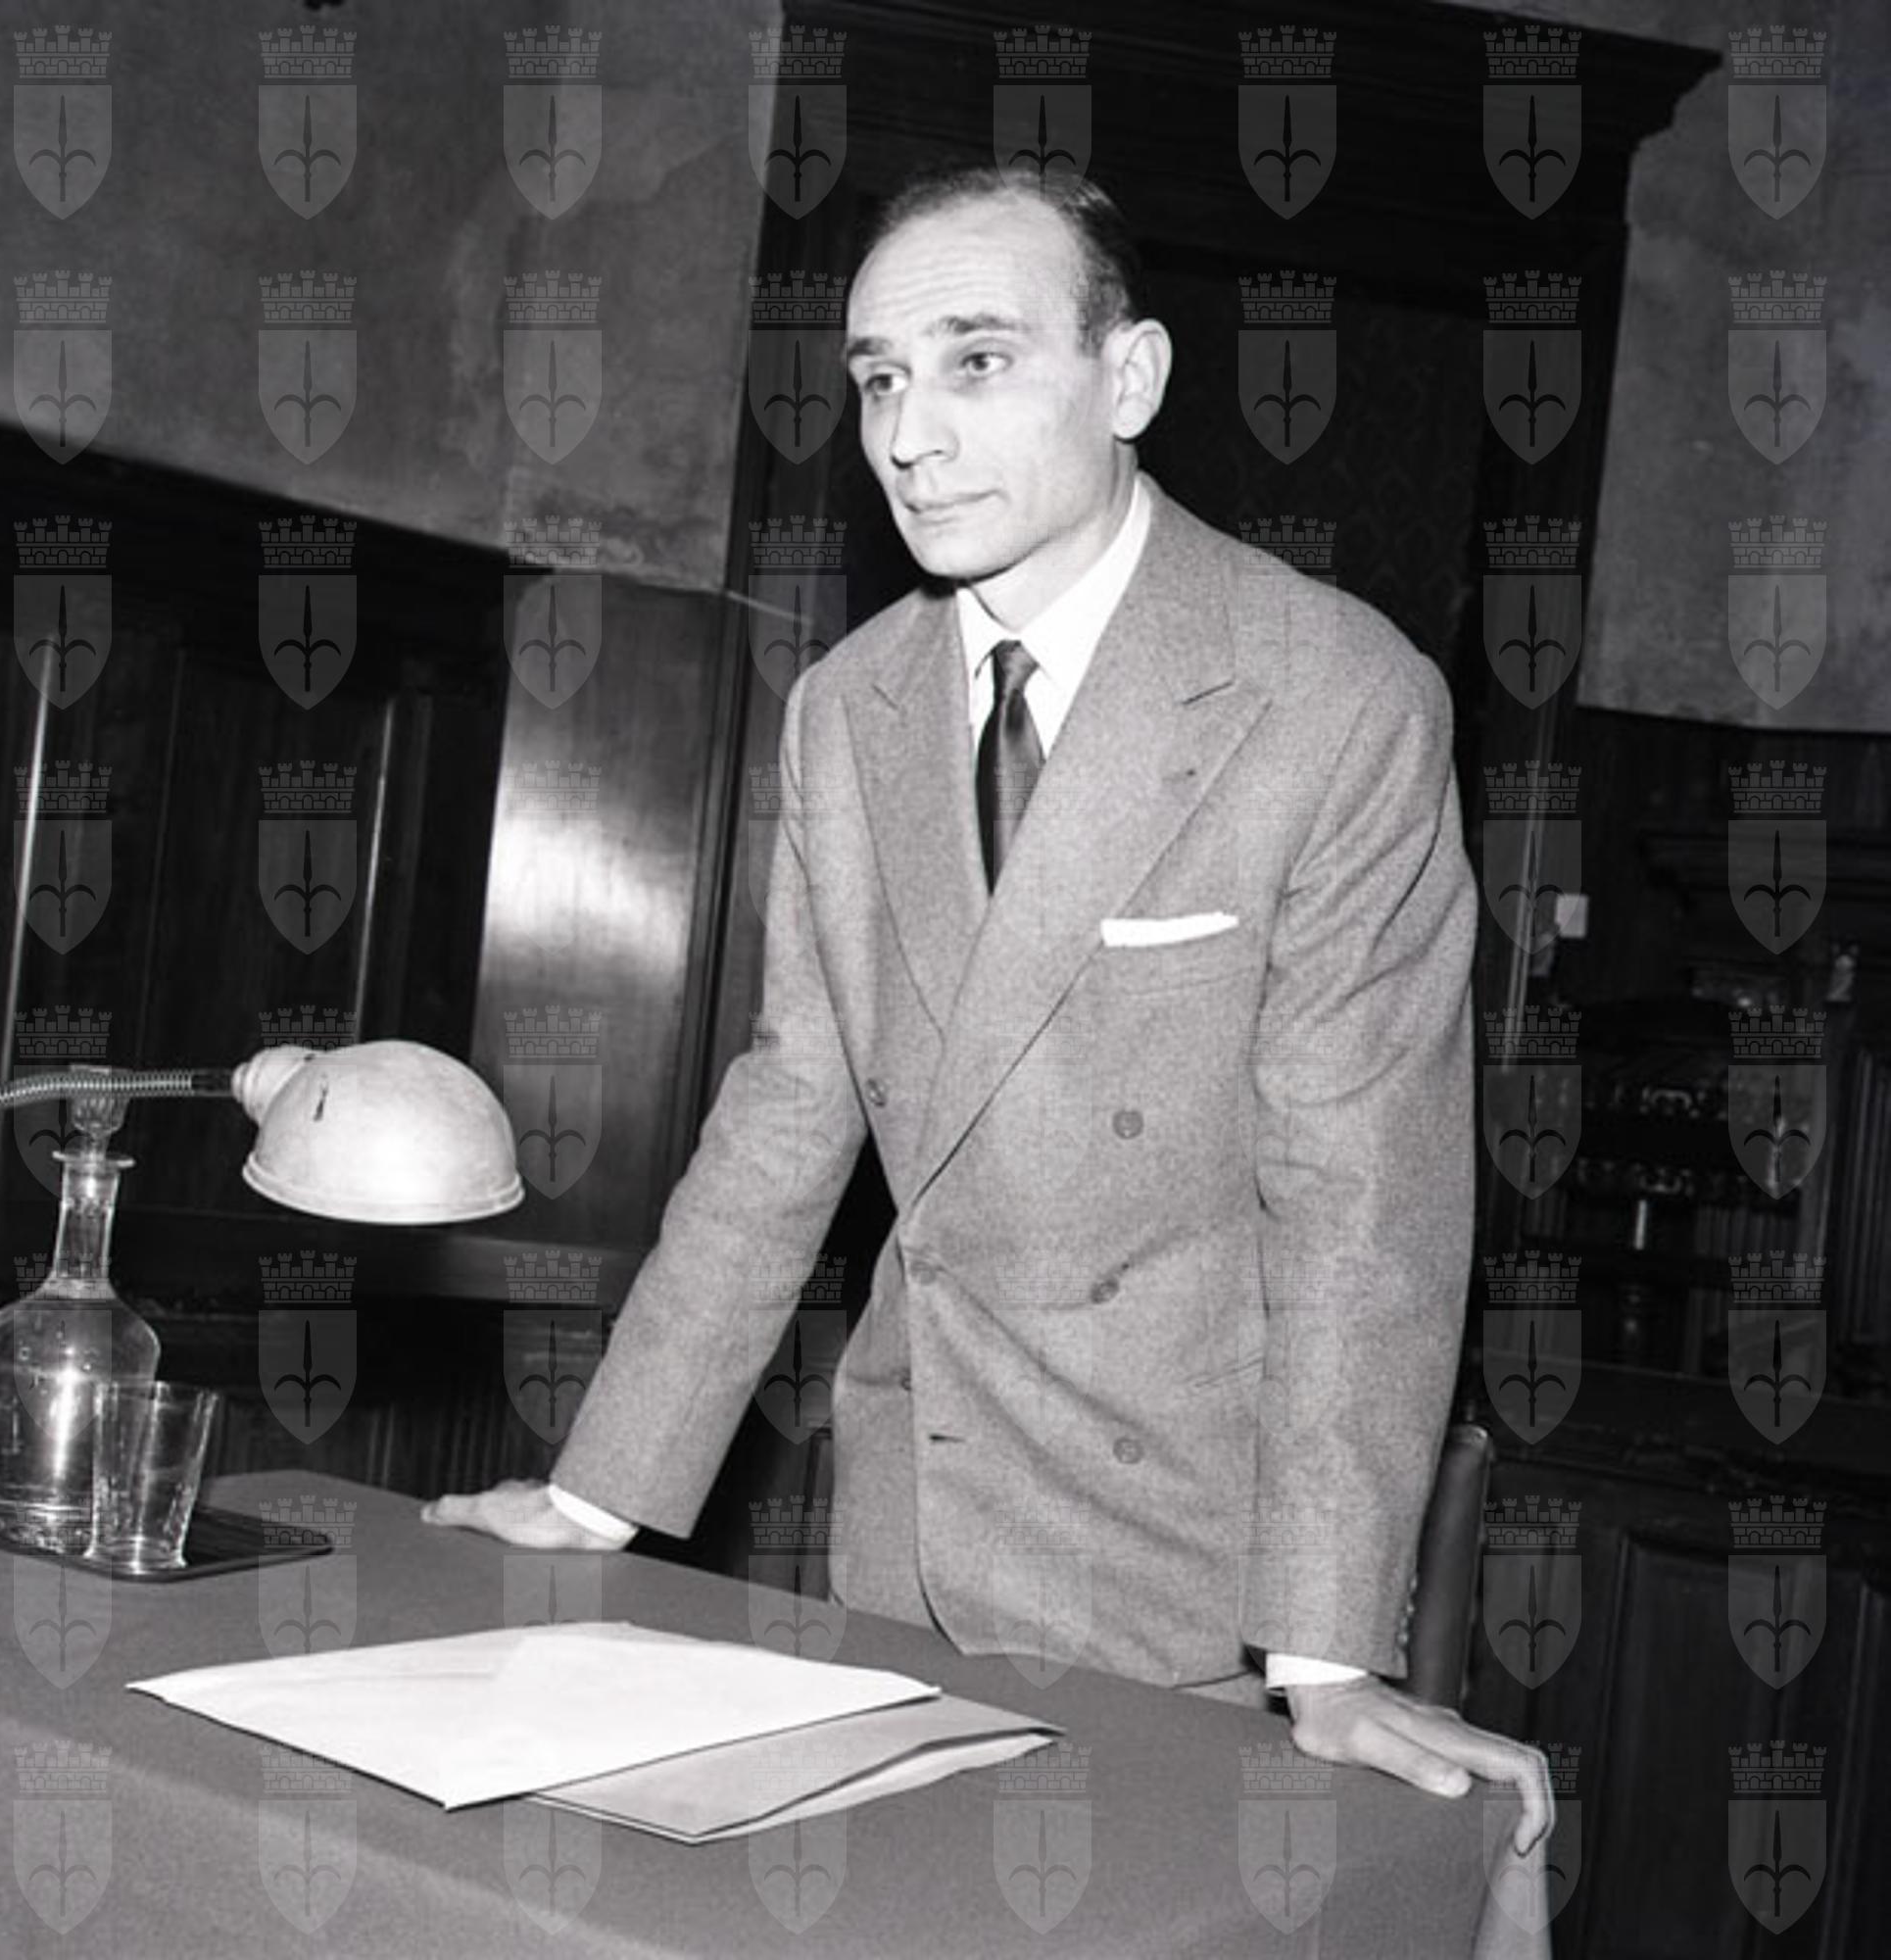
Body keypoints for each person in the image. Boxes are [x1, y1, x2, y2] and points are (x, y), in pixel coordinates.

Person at [427, 165, 1550, 1852]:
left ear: (1129, 378)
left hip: (1187, 1583)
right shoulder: (844, 706)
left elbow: (1362, 1197)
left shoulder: (1334, 695)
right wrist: (601, 1490)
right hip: (909, 1531)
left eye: (976, 361)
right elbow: (791, 1107)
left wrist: (1322, 1651)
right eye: (879, 377)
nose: (909, 435)